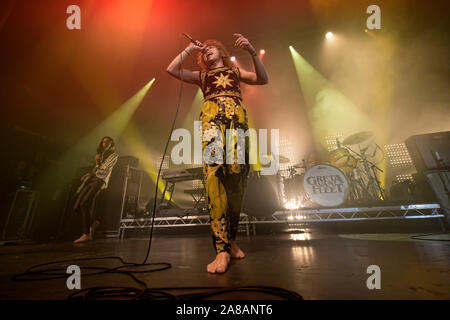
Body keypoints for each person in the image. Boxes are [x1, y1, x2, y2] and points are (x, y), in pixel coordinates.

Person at [167, 34, 268, 273]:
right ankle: (221, 249)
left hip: (238, 126)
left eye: (211, 47)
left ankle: (230, 240)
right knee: (215, 181)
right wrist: (191, 48)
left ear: (222, 52)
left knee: (237, 182)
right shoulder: (201, 76)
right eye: (205, 50)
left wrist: (253, 52)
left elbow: (263, 79)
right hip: (212, 126)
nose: (207, 50)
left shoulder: (234, 71)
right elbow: (171, 69)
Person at [73, 136, 118, 243]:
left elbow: (104, 168)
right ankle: (93, 222)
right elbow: (96, 169)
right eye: (103, 142)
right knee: (76, 206)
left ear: (111, 144)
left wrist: (98, 162)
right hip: (92, 178)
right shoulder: (100, 154)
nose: (105, 143)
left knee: (85, 203)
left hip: (100, 180)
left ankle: (86, 234)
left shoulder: (113, 155)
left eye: (108, 142)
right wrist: (89, 174)